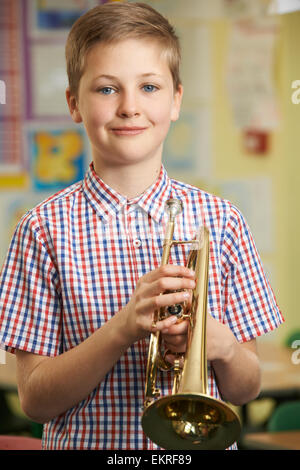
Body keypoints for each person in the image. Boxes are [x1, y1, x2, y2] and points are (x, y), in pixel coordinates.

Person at [0, 2, 283, 450]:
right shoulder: (41, 229)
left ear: (175, 101)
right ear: (74, 104)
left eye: (149, 86)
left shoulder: (223, 220)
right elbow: (35, 401)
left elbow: (245, 389)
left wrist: (223, 347)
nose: (130, 107)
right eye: (107, 89)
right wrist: (123, 328)